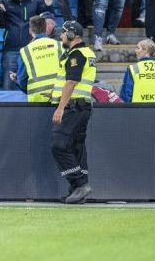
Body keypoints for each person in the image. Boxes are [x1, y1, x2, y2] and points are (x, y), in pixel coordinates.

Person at [50, 20, 96, 204]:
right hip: (82, 106)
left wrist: (60, 108)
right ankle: (78, 189)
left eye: (63, 33)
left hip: (73, 107)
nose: (61, 36)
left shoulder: (76, 54)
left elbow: (71, 82)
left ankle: (79, 184)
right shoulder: (88, 52)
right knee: (76, 146)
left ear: (72, 35)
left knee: (58, 145)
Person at [0, 0, 53, 91]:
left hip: (31, 49)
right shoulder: (4, 1)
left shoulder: (34, 0)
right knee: (8, 86)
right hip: (11, 50)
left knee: (31, 83)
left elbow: (46, 17)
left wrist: (48, 6)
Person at [11, 15, 63, 102]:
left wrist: (16, 80)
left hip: (37, 98)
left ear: (30, 31)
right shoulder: (59, 45)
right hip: (59, 94)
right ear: (45, 28)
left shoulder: (25, 51)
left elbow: (23, 81)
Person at [120, 38, 155, 103]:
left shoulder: (133, 69)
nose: (135, 51)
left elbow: (126, 95)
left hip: (139, 111)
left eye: (138, 48)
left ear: (145, 50)